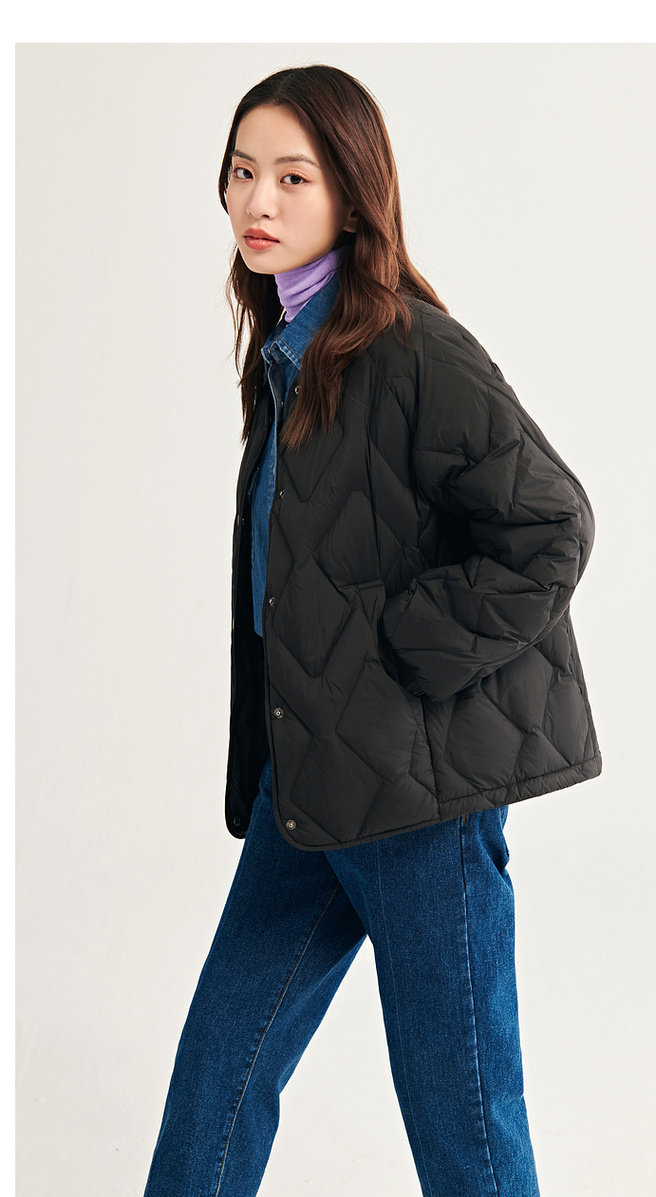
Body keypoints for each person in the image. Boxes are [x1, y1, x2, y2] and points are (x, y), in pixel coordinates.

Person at [142, 63, 602, 1197]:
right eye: (242, 172)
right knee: (220, 1069)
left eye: (293, 177)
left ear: (353, 194)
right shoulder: (291, 353)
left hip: (417, 807)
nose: (258, 201)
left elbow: (552, 525)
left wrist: (403, 654)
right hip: (310, 785)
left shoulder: (411, 349)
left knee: (464, 1126)